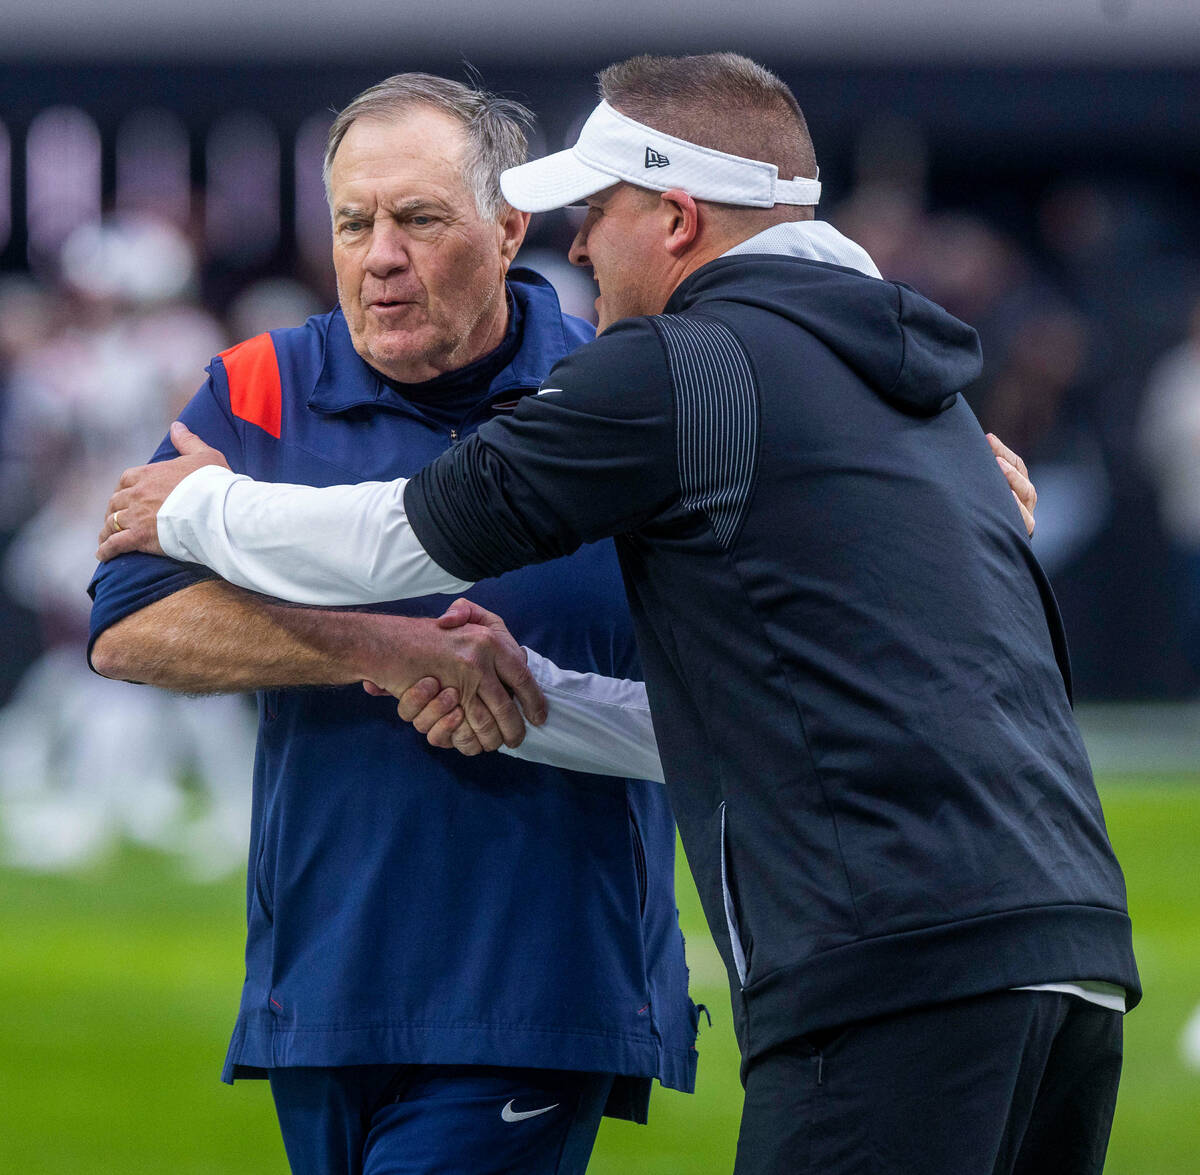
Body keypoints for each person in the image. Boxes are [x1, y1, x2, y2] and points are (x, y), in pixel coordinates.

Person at [94, 54, 1122, 1175]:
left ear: (673, 217)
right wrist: (482, 685)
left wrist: (196, 504)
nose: (576, 245)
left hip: (863, 960)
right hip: (1056, 945)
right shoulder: (888, 380)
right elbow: (721, 708)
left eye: (594, 213)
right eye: (353, 222)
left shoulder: (660, 375)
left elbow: (412, 532)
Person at [87, 73, 704, 1175]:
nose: (379, 254)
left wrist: (942, 470)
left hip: (538, 984)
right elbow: (127, 627)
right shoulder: (261, 386)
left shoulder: (618, 395)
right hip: (322, 983)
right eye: (353, 220)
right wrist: (385, 644)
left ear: (511, 227)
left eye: (419, 218)